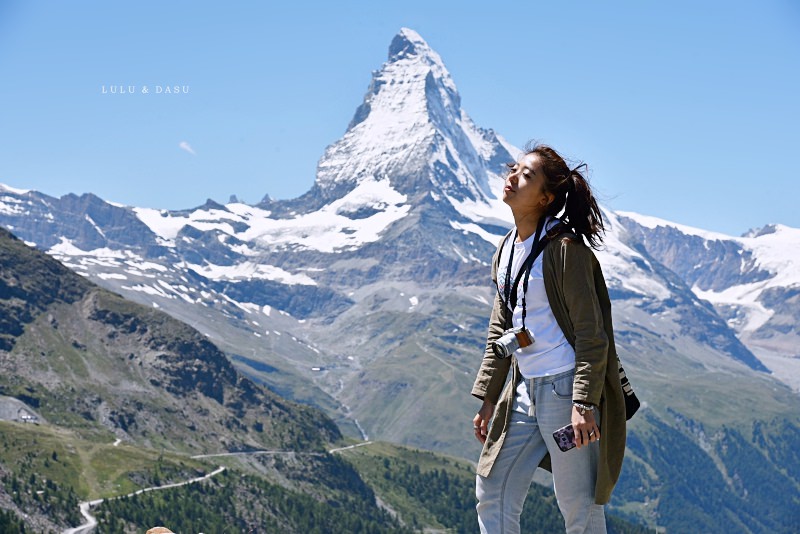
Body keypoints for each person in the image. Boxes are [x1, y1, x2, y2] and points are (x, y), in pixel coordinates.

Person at [471, 144, 626, 534]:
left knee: (578, 502)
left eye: (525, 174)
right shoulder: (505, 250)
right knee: (493, 488)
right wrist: (489, 398)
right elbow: (499, 330)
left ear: (546, 197)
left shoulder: (565, 250)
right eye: (513, 169)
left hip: (564, 393)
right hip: (522, 392)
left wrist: (583, 403)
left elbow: (593, 335)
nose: (512, 177)